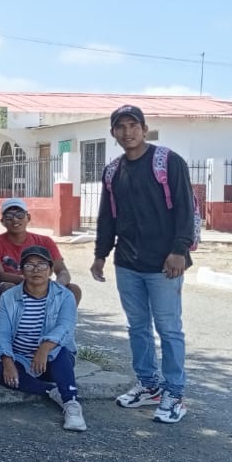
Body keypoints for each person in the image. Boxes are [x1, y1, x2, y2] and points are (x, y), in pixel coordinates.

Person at [91, 104, 195, 425]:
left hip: (165, 263)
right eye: (120, 127)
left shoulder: (168, 162)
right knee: (137, 327)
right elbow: (108, 216)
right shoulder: (113, 171)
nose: (128, 132)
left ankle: (174, 393)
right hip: (127, 262)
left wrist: (179, 250)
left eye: (133, 125)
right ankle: (149, 385)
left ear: (145, 129)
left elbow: (185, 208)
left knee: (168, 328)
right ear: (113, 133)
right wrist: (101, 254)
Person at [0, 245, 87, 432]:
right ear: (21, 270)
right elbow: (2, 332)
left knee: (61, 353)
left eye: (41, 265)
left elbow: (65, 327)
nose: (36, 270)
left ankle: (71, 403)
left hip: (52, 357)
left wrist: (44, 349)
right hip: (21, 358)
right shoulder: (9, 297)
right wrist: (8, 361)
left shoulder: (64, 295)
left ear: (50, 270)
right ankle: (50, 391)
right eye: (29, 265)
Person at [0, 199, 82, 305]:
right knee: (7, 287)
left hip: (42, 287)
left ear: (28, 217)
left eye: (20, 215)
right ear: (2, 222)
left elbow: (62, 271)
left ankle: (59, 316)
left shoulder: (45, 241)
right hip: (14, 287)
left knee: (73, 289)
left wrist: (57, 286)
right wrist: (31, 282)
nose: (15, 220)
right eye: (9, 216)